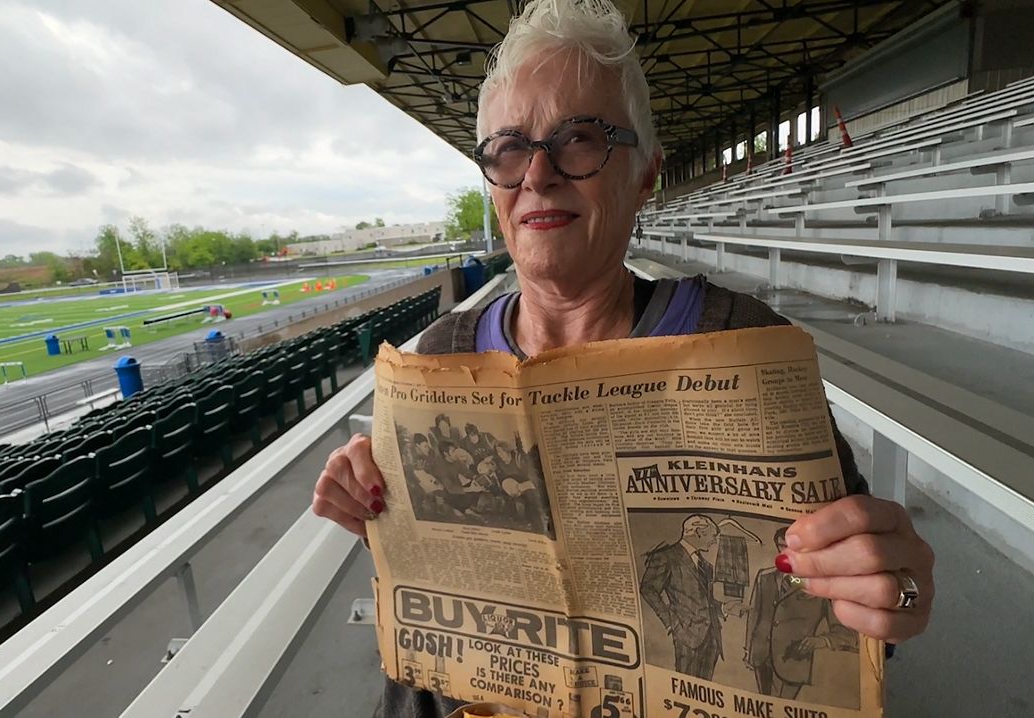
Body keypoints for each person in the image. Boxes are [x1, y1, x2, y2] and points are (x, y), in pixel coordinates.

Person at [310, 2, 935, 716]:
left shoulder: (743, 344)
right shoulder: (441, 359)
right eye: (508, 149)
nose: (537, 175)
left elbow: (858, 621)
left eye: (579, 138)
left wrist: (899, 594)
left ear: (645, 174)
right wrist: (375, 515)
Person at [745, 529, 858, 700]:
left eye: (791, 547)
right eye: (781, 546)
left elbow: (846, 631)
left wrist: (820, 641)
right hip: (761, 656)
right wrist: (749, 649)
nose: (786, 552)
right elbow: (754, 615)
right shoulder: (764, 577)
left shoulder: (820, 584)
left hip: (793, 659)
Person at [639, 515, 724, 681]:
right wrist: (672, 623)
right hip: (687, 635)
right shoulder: (667, 556)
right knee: (687, 686)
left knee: (705, 689)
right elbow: (648, 589)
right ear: (699, 532)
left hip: (712, 638)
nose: (714, 541)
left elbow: (703, 600)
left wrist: (724, 608)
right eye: (713, 536)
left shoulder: (706, 566)